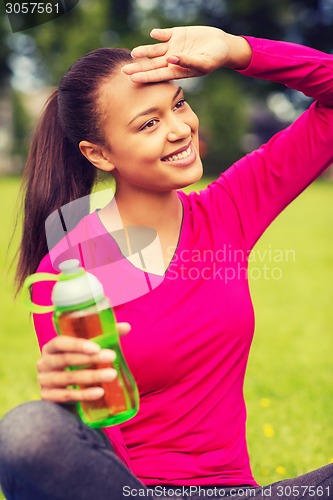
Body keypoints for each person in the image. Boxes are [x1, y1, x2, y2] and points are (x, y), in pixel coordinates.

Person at [0, 25, 332, 500]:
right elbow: (95, 435)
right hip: (132, 492)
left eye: (178, 103)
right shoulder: (70, 269)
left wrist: (238, 51)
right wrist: (66, 402)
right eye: (148, 123)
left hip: (239, 492)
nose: (179, 128)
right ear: (100, 154)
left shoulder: (229, 210)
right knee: (29, 430)